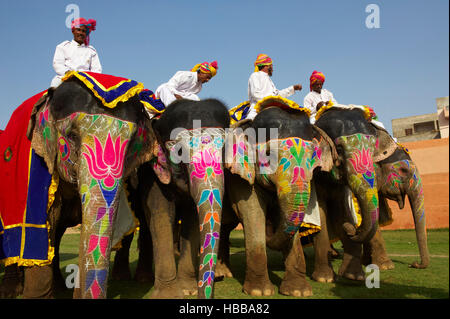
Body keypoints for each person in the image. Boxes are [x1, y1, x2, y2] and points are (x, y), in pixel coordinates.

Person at [247, 54, 302, 120]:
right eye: (271, 65)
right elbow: (255, 94)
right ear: (267, 66)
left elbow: (277, 95)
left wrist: (293, 88)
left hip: (271, 109)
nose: (273, 68)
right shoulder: (255, 75)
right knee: (247, 127)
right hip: (257, 110)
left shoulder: (269, 81)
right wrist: (271, 100)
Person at [50, 18, 102, 88]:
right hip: (65, 77)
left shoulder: (91, 50)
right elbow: (57, 64)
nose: (81, 33)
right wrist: (68, 73)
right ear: (73, 31)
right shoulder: (63, 46)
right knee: (53, 88)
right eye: (78, 30)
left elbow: (97, 70)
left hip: (86, 80)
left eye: (83, 31)